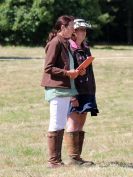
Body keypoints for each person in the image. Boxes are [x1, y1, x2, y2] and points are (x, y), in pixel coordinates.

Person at [41, 15, 84, 168]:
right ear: (63, 28)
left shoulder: (65, 42)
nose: (74, 29)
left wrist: (77, 72)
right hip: (57, 89)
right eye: (71, 26)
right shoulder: (55, 42)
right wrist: (67, 73)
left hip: (65, 90)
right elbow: (48, 68)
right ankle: (53, 161)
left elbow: (66, 67)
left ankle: (57, 161)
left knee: (60, 124)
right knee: (56, 123)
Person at [65, 19, 99, 166]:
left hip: (87, 90)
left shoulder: (85, 48)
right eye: (80, 30)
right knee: (73, 122)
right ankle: (72, 158)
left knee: (81, 122)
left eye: (85, 30)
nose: (83, 32)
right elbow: (68, 74)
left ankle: (77, 158)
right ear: (73, 31)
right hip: (75, 91)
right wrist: (72, 95)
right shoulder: (69, 48)